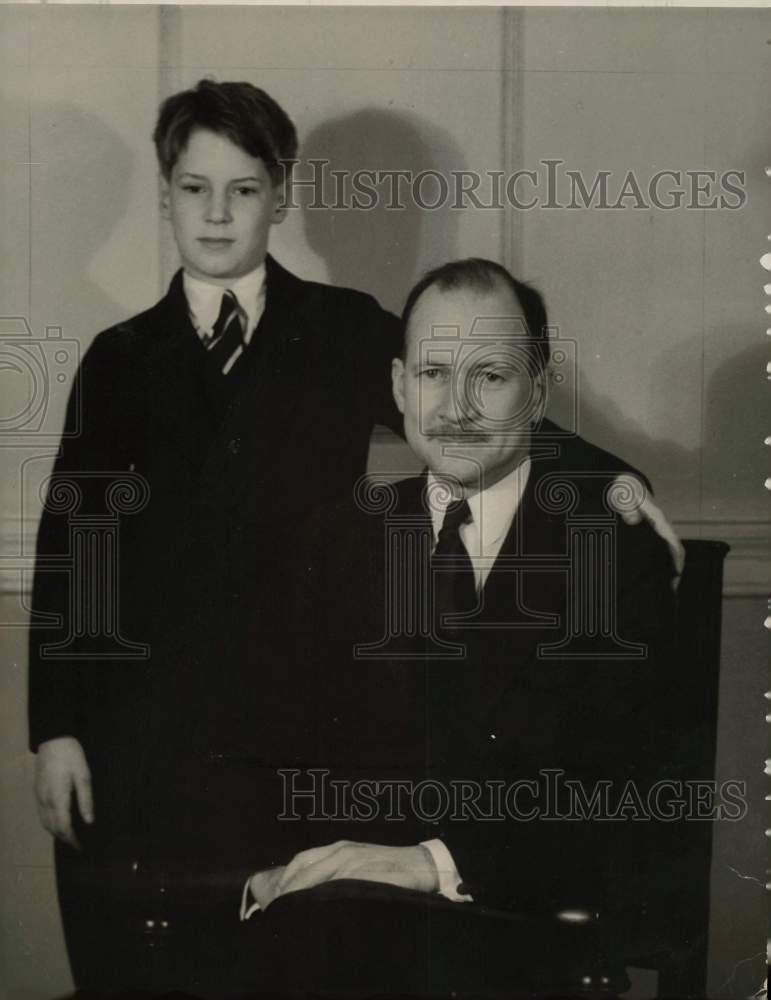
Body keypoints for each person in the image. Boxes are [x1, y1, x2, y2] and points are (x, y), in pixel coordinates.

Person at [28, 78, 680, 995]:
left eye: (245, 189)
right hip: (139, 720)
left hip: (299, 694)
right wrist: (56, 728)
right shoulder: (120, 355)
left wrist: (608, 475)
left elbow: (466, 405)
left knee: (280, 940)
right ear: (166, 194)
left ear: (283, 196)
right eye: (193, 188)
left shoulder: (337, 330)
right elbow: (73, 542)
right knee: (137, 961)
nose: (217, 214)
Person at [234, 259, 684, 996]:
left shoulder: (608, 546)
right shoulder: (338, 538)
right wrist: (273, 869)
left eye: (492, 377)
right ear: (397, 387)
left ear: (537, 393)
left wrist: (437, 863)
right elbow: (260, 741)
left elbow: (617, 784)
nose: (456, 406)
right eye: (433, 374)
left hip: (519, 925)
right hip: (336, 924)